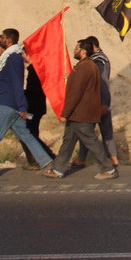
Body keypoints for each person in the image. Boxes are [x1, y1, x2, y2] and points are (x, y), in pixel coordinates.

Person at [0, 29, 53, 179]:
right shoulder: (9, 57)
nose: (1, 39)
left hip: (7, 104)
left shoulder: (13, 58)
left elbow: (17, 83)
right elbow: (5, 82)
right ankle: (46, 161)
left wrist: (22, 107)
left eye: (3, 37)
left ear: (9, 40)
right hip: (9, 102)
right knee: (25, 134)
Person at [43, 40, 118, 180]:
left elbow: (76, 92)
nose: (74, 50)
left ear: (83, 51)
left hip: (81, 113)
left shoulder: (84, 67)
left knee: (91, 141)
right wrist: (71, 76)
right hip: (80, 113)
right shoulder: (86, 66)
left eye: (77, 47)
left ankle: (108, 169)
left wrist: (65, 113)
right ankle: (58, 169)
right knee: (68, 141)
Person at [74, 36, 118, 167]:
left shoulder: (99, 60)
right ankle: (83, 158)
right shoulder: (97, 59)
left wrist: (104, 103)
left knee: (97, 130)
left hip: (98, 101)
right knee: (88, 130)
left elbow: (102, 82)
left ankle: (111, 158)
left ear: (92, 46)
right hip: (97, 101)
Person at [21, 61, 54, 169]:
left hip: (33, 108)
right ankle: (42, 157)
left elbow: (33, 91)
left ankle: (42, 157)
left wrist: (22, 93)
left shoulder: (33, 69)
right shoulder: (37, 68)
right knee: (32, 133)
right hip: (37, 107)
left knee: (30, 134)